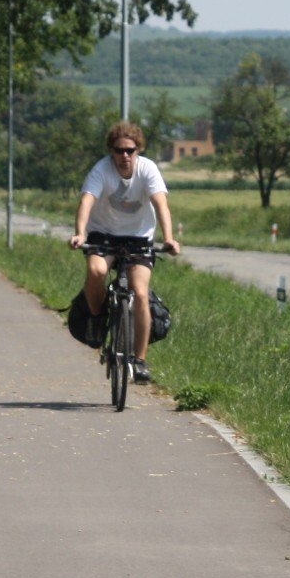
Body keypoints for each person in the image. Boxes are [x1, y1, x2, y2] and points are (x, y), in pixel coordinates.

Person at [67, 121, 180, 384]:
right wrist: (80, 233)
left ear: (138, 150)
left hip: (138, 236)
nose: (124, 156)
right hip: (103, 233)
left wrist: (170, 238)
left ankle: (139, 360)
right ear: (111, 150)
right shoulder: (101, 169)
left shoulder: (148, 170)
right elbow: (86, 201)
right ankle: (96, 318)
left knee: (140, 293)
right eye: (119, 150)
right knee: (97, 270)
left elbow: (161, 204)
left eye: (130, 150)